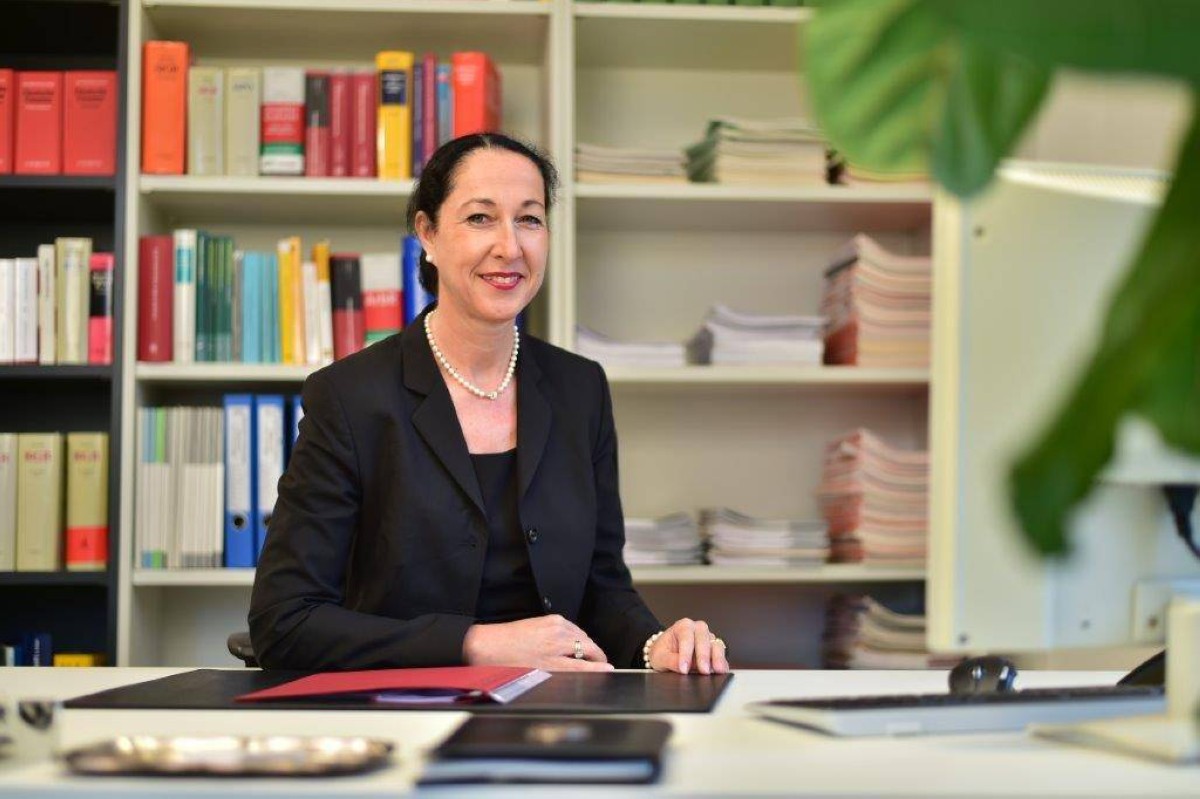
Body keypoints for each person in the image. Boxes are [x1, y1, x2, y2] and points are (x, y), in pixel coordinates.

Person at [249, 132, 730, 675]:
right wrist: (478, 645)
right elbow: (284, 622)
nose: (510, 246)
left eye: (529, 219)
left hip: (555, 707)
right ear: (427, 234)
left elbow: (602, 587)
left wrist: (654, 643)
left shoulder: (581, 389)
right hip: (403, 706)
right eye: (480, 218)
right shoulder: (350, 397)